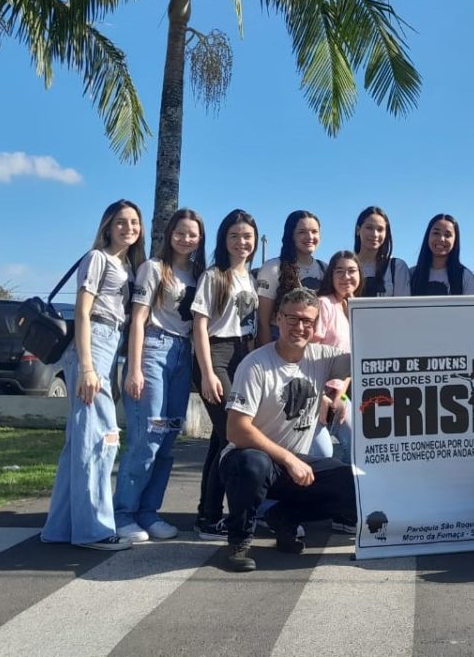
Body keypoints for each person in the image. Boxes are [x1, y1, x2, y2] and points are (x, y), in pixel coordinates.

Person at [219, 288, 355, 573]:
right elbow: (236, 430)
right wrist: (289, 459)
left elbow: (367, 359)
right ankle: (239, 540)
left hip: (294, 467)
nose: (300, 327)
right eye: (293, 319)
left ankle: (285, 517)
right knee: (252, 463)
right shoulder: (255, 365)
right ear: (278, 318)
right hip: (251, 459)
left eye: (308, 321)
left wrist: (358, 311)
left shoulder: (322, 357)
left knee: (352, 483)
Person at [41, 199, 145, 551]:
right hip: (94, 343)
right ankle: (95, 531)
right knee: (99, 440)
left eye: (134, 222)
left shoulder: (128, 265)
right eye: (121, 222)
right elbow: (83, 313)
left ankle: (61, 527)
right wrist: (87, 366)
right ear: (106, 226)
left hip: (110, 342)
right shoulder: (97, 258)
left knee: (81, 441)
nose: (128, 228)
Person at [114, 209, 206, 543]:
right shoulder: (153, 268)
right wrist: (134, 368)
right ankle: (122, 513)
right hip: (153, 350)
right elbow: (137, 320)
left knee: (167, 440)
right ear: (169, 234)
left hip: (183, 356)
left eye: (192, 234)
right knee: (147, 437)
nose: (186, 239)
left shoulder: (199, 273)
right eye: (180, 232)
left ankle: (148, 512)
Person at [191, 210, 259, 540]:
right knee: (234, 437)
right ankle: (220, 517)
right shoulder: (213, 275)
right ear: (224, 239)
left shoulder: (252, 277)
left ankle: (208, 514)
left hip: (243, 355)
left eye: (247, 236)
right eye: (234, 236)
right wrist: (206, 373)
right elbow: (200, 326)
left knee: (221, 440)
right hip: (216, 355)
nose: (241, 242)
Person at [311, 250, 361, 464]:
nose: (345, 277)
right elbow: (310, 354)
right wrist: (321, 396)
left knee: (360, 449)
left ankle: (350, 496)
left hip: (339, 395)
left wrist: (339, 396)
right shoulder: (324, 303)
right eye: (339, 271)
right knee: (323, 454)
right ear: (330, 276)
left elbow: (351, 362)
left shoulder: (355, 307)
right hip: (315, 393)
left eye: (351, 271)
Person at [256, 210, 327, 344]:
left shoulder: (325, 269)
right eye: (302, 232)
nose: (309, 237)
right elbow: (263, 322)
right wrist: (268, 356)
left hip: (315, 347)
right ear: (291, 235)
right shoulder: (273, 267)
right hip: (281, 344)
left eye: (314, 232)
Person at [409, 214, 474, 295]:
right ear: (428, 236)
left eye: (447, 235)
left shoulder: (465, 276)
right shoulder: (411, 274)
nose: (441, 239)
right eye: (436, 233)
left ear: (455, 240)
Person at [354, 206, 411, 297]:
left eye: (380, 229)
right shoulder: (347, 267)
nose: (374, 234)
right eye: (369, 228)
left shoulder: (397, 267)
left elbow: (403, 307)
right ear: (358, 230)